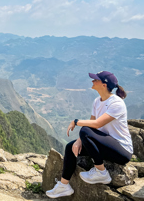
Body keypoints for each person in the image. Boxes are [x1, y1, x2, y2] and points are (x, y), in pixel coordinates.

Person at [46, 71, 133, 199]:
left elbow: (96, 124)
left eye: (95, 80)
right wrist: (80, 141)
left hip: (121, 150)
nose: (92, 81)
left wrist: (76, 122)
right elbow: (92, 124)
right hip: (105, 145)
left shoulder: (117, 103)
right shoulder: (97, 101)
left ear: (104, 85)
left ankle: (101, 172)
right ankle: (64, 186)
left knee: (84, 130)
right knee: (71, 147)